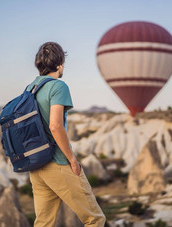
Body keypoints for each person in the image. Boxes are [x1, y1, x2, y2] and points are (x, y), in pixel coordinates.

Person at [28, 42, 106, 227]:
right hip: (58, 163)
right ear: (60, 65)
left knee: (43, 223)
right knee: (95, 219)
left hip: (36, 166)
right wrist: (71, 159)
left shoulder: (30, 88)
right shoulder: (58, 86)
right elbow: (55, 126)